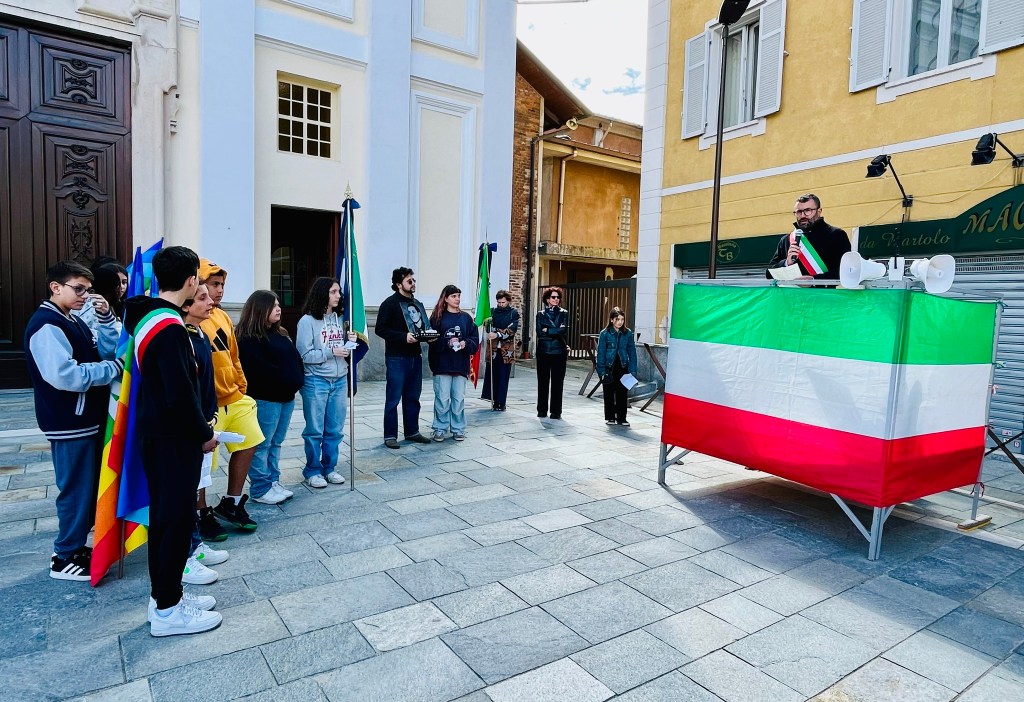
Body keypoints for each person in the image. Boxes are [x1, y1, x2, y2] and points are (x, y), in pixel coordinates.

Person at [124, 246, 221, 636]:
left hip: (160, 435)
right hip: (173, 439)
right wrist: (204, 434)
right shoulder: (169, 327)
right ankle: (168, 610)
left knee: (167, 520)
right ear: (191, 281)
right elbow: (180, 395)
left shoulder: (151, 317)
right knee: (175, 522)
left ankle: (165, 597)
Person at [25, 261, 123, 581]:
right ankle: (64, 555)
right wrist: (113, 369)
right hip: (69, 422)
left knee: (86, 490)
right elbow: (65, 375)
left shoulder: (72, 319)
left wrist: (106, 319)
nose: (85, 295)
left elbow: (104, 352)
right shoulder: (47, 324)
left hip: (85, 420)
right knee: (74, 492)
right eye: (78, 288)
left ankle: (76, 547)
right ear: (55, 287)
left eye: (88, 290)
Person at [198, 259, 265, 533]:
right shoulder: (191, 317)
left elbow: (233, 354)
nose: (220, 290)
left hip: (234, 398)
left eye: (222, 285)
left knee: (249, 442)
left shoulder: (223, 316)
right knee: (204, 464)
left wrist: (241, 383)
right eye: (214, 284)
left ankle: (232, 502)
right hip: (209, 404)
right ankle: (201, 512)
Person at [181, 283, 229, 584]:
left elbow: (206, 384)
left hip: (204, 421)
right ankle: (184, 556)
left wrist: (211, 417)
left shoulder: (199, 333)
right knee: (184, 496)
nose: (211, 301)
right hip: (191, 429)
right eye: (202, 298)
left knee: (195, 486)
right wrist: (200, 427)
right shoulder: (181, 336)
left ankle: (195, 544)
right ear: (186, 305)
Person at [237, 290, 305, 501]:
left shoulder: (281, 333)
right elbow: (259, 371)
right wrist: (284, 380)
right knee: (262, 444)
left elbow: (295, 359)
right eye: (273, 305)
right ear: (260, 309)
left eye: (278, 305)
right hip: (266, 399)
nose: (279, 309)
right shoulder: (247, 338)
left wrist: (297, 378)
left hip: (286, 398)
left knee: (276, 442)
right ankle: (260, 488)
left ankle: (273, 481)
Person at [295, 278, 356, 487]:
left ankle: (329, 468)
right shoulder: (307, 321)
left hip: (339, 379)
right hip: (316, 380)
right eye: (333, 292)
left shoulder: (342, 319)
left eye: (338, 291)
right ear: (322, 293)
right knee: (314, 429)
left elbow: (345, 347)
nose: (338, 295)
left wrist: (351, 342)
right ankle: (313, 470)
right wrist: (331, 352)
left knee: (335, 429)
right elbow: (303, 355)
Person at [374, 267, 435, 449]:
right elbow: (380, 329)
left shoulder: (417, 304)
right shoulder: (389, 304)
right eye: (409, 281)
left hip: (415, 356)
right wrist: (403, 337)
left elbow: (422, 327)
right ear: (399, 284)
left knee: (413, 397)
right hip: (396, 358)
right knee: (393, 399)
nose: (413, 283)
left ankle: (412, 431)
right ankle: (390, 435)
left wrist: (429, 336)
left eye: (413, 280)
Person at [428, 285, 478, 441]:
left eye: (458, 296)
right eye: (454, 296)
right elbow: (431, 340)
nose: (457, 299)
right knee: (442, 399)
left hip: (460, 365)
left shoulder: (466, 318)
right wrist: (447, 342)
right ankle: (440, 428)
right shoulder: (437, 317)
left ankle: (458, 428)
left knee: (458, 399)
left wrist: (465, 343)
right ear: (446, 298)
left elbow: (474, 339)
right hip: (442, 364)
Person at [766, 193, 851, 280]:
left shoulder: (837, 235)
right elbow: (769, 274)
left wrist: (813, 280)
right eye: (799, 212)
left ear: (819, 211)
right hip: (791, 289)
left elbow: (846, 271)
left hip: (823, 289)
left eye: (807, 210)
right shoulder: (786, 240)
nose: (803, 215)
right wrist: (786, 263)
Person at [597, 307, 638, 428]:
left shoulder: (627, 333)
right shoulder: (605, 333)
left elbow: (632, 352)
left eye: (622, 319)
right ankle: (610, 417)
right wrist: (601, 371)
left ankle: (621, 417)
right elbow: (600, 353)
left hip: (623, 365)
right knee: (608, 392)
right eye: (617, 319)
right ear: (611, 320)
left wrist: (633, 370)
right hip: (609, 366)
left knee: (622, 392)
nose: (620, 322)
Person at [481, 289, 519, 411]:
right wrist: (489, 327)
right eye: (499, 302)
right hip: (493, 348)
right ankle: (493, 399)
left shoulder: (513, 313)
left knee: (503, 375)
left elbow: (511, 330)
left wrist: (497, 333)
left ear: (508, 301)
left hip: (506, 349)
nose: (501, 305)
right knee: (493, 374)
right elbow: (488, 328)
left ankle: (501, 402)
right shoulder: (492, 312)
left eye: (503, 302)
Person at [535, 287, 569, 419]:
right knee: (542, 381)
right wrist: (555, 330)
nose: (556, 299)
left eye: (558, 297)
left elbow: (563, 330)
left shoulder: (564, 313)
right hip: (543, 351)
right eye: (553, 297)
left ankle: (556, 411)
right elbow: (539, 333)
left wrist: (548, 330)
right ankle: (541, 410)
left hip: (559, 351)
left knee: (557, 382)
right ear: (547, 299)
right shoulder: (540, 314)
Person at [73, 262, 127, 338]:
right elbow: (112, 340)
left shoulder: (79, 302)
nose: (121, 287)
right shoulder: (99, 308)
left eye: (124, 282)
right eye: (118, 285)